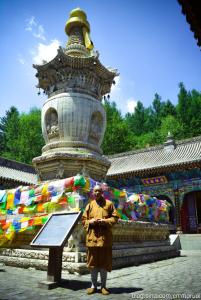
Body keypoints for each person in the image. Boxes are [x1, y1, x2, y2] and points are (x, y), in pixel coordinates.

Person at [82, 185, 119, 295]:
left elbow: (115, 217)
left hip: (104, 239)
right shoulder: (90, 205)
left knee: (104, 263)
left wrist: (105, 221)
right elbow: (84, 220)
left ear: (102, 192)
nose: (97, 193)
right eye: (95, 191)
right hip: (92, 238)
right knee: (92, 262)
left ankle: (103, 286)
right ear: (93, 193)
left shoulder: (109, 204)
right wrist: (90, 222)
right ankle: (93, 285)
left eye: (99, 191)